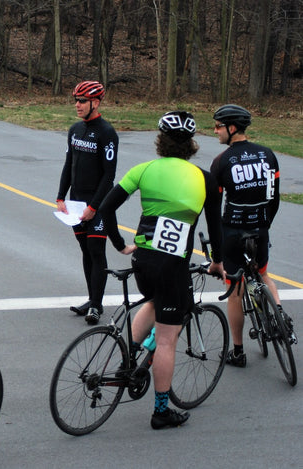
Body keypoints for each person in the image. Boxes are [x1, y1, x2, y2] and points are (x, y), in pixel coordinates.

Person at [99, 111, 226, 429]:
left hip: (142, 260)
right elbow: (216, 228)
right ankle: (161, 411)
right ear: (192, 146)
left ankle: (127, 361)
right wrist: (217, 261)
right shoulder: (204, 179)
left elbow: (104, 208)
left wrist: (118, 243)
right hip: (173, 266)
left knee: (153, 302)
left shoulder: (143, 170)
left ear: (160, 142)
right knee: (168, 340)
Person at [210, 104, 293, 367]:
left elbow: (214, 207)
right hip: (260, 228)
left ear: (232, 128)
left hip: (232, 232)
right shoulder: (268, 155)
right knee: (264, 274)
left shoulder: (221, 161)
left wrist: (216, 251)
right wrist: (264, 223)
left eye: (219, 126)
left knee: (235, 291)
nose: (215, 131)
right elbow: (274, 198)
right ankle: (280, 316)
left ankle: (237, 351)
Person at [56, 80, 129, 325]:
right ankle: (91, 298)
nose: (77, 105)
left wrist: (94, 207)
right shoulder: (75, 130)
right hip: (76, 204)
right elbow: (69, 165)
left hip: (97, 205)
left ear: (95, 103)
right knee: (85, 251)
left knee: (97, 251)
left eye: (82, 101)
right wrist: (60, 196)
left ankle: (97, 306)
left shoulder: (107, 133)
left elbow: (109, 175)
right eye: (75, 100)